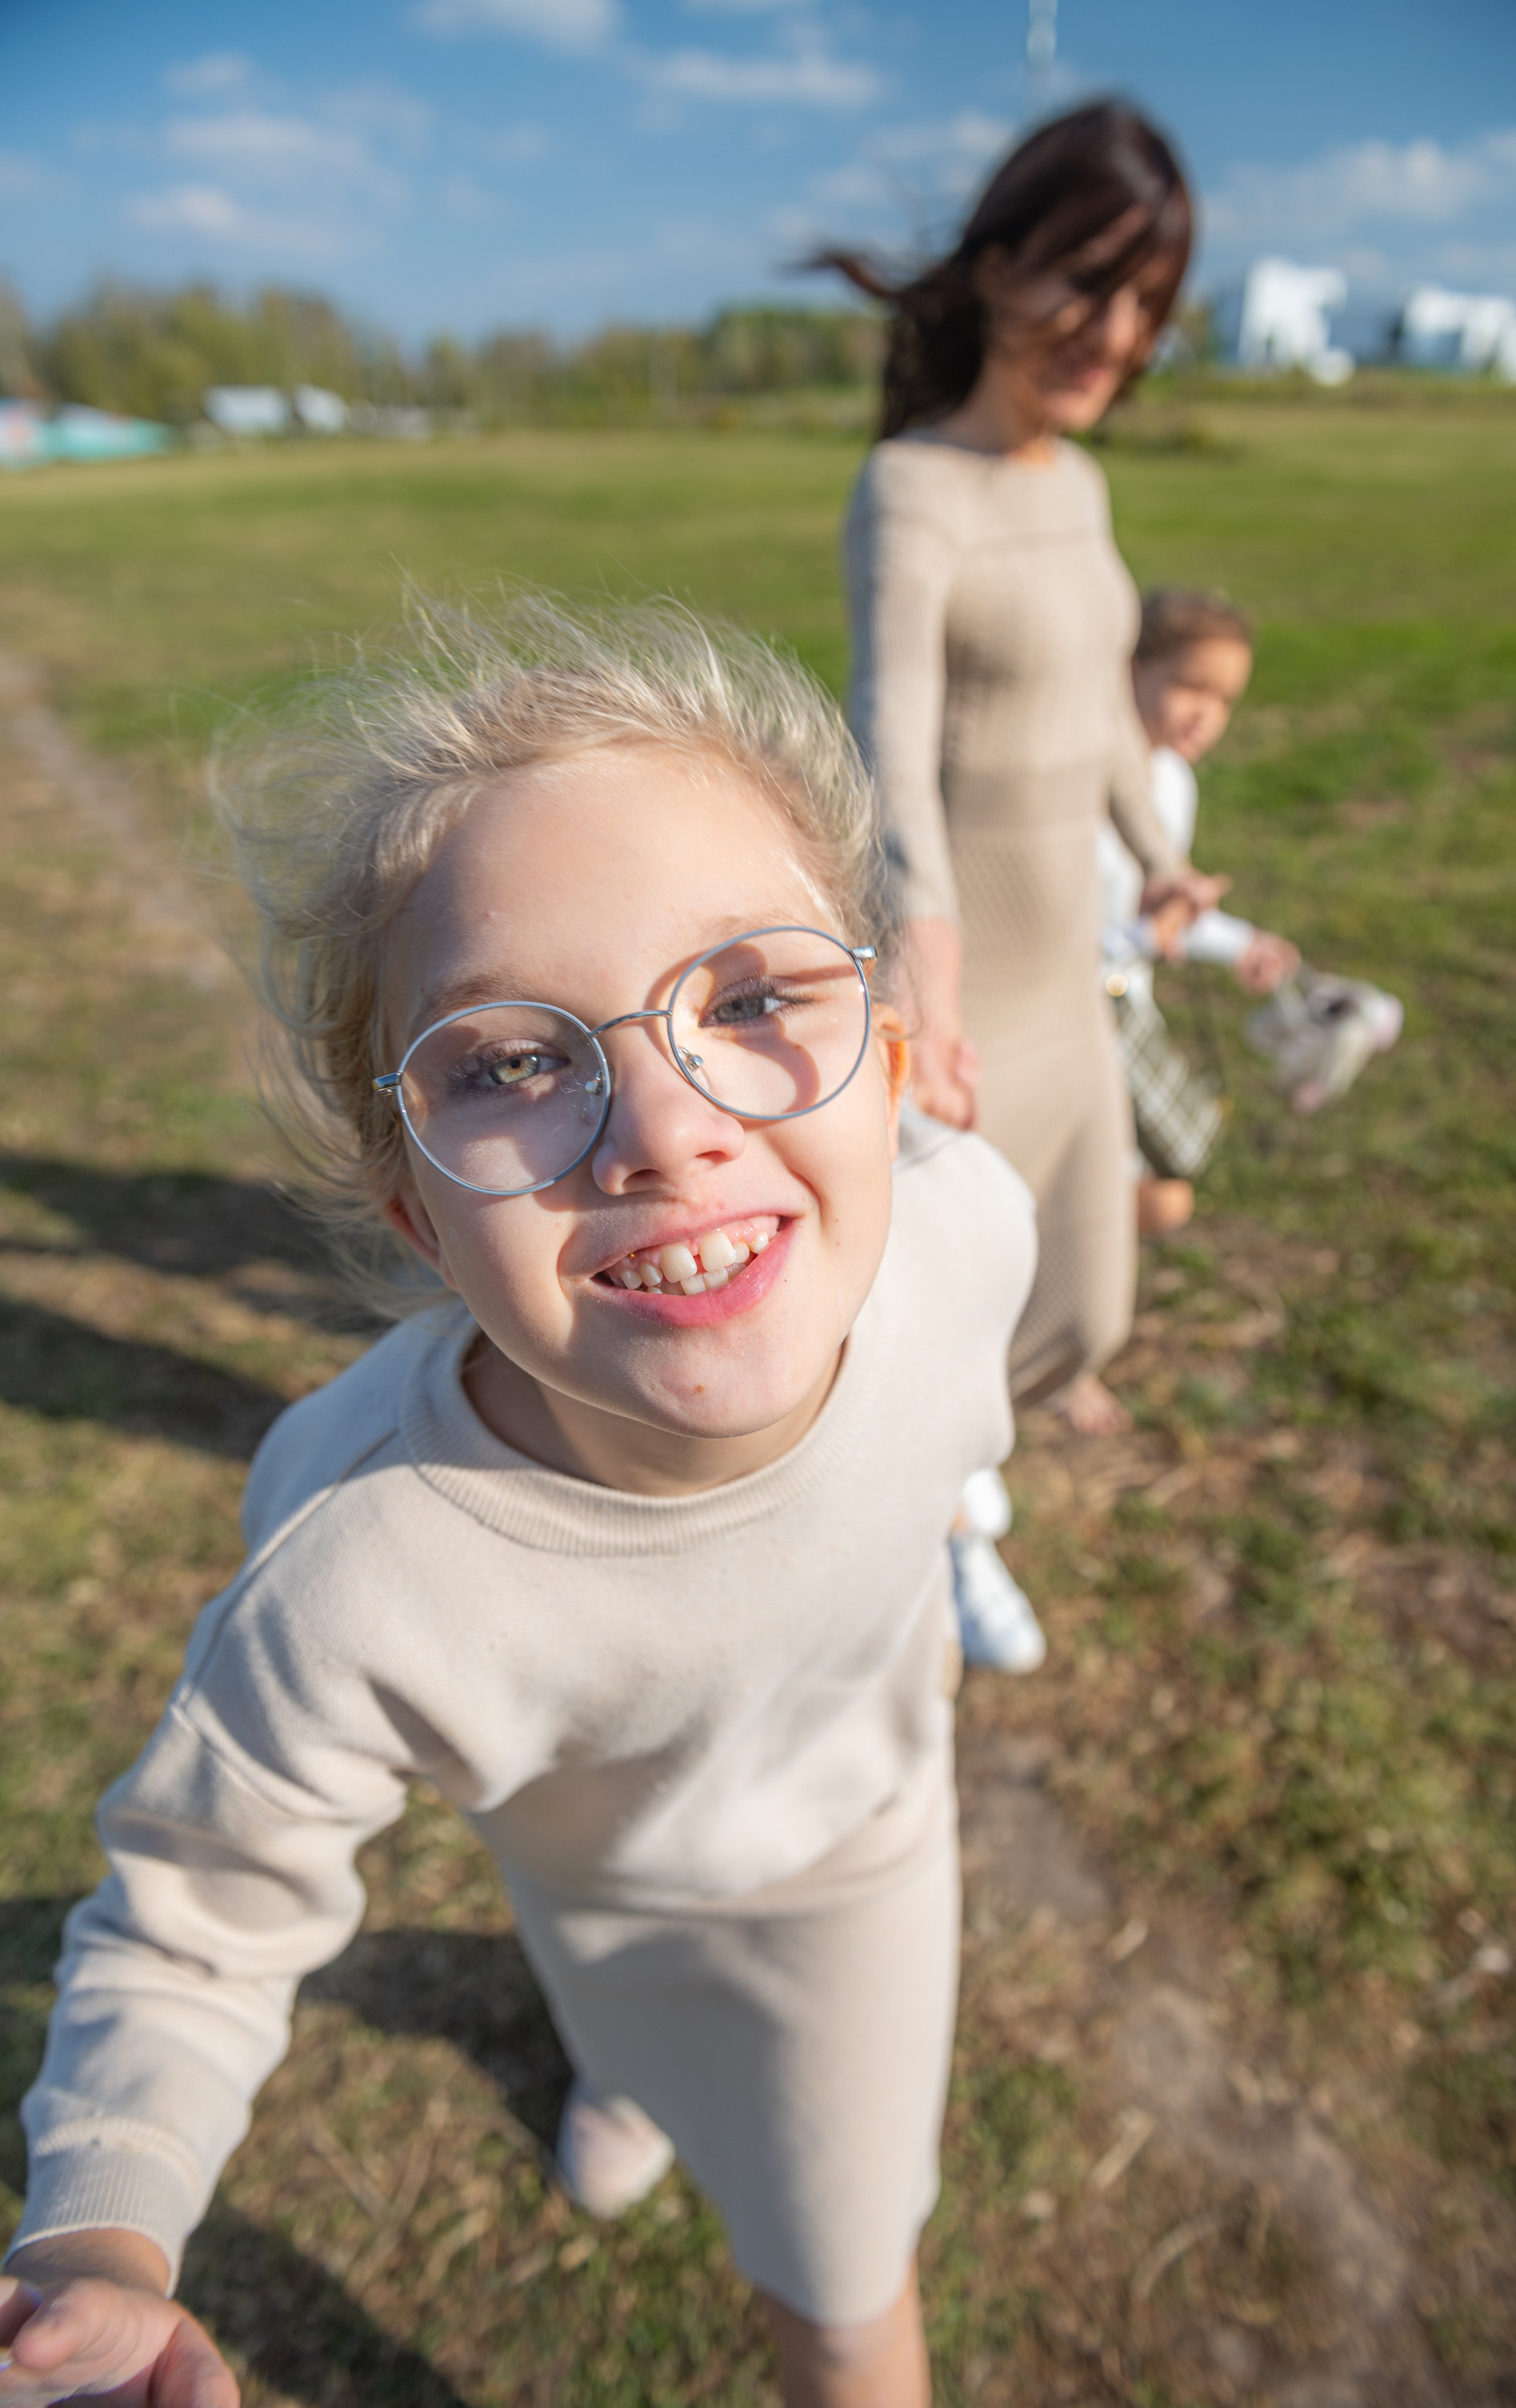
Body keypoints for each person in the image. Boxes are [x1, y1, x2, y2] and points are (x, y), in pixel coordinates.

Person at [0, 598, 1036, 2408]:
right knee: (619, 1987)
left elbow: (945, 1432)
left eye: (752, 997)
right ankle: (637, 2062)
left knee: (843, 2274)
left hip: (859, 1847)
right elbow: (195, 1922)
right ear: (414, 1216)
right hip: (588, 1875)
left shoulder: (969, 1240)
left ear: (877, 1057)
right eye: (511, 1062)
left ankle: (730, 2131)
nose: (660, 1127)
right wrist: (97, 2243)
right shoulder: (363, 1572)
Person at [825, 101, 1222, 1674]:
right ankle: (932, 1544)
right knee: (934, 1324)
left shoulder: (1080, 489)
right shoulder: (908, 491)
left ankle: (942, 1491)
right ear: (993, 268)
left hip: (1076, 973)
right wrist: (918, 957)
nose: (1109, 332)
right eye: (1082, 281)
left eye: (1143, 301)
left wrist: (1164, 843)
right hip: (966, 982)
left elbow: (1102, 718)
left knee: (1086, 1315)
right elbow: (890, 741)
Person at [1102, 586, 1301, 1238]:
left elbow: (1165, 909)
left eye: (1225, 701)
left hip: (1128, 1021)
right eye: (1191, 686)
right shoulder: (1078, 784)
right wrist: (1142, 936)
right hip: (1073, 1029)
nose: (1206, 715)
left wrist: (1242, 944)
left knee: (1160, 1197)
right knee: (1155, 1201)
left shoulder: (1172, 781)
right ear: (1131, 667)